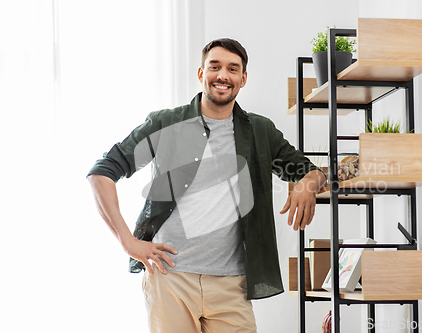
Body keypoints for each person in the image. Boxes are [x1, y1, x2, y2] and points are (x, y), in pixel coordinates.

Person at [87, 38, 327, 333]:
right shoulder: (165, 124)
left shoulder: (260, 130)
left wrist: (307, 184)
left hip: (232, 286)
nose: (223, 75)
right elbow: (102, 172)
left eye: (232, 69)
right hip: (170, 279)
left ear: (243, 79)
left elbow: (311, 172)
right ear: (202, 74)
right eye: (215, 67)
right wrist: (127, 241)